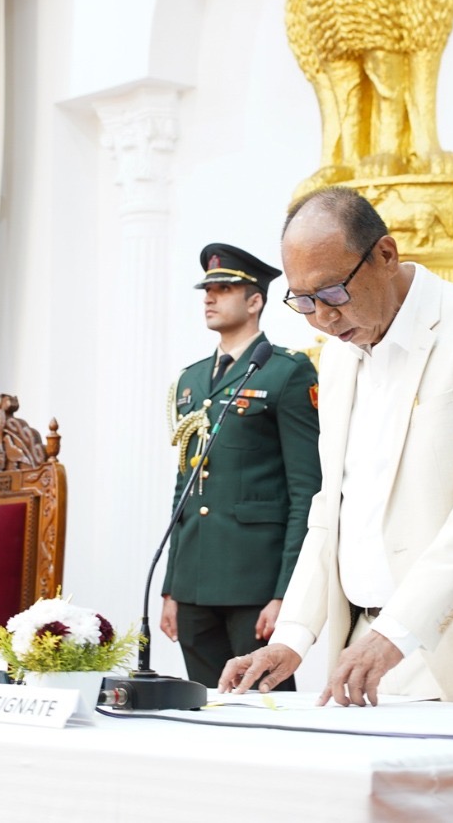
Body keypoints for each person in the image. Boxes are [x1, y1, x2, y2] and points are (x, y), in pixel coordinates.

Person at [221, 187, 453, 706]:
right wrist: (293, 637)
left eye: (332, 293)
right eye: (302, 301)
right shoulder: (341, 355)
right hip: (368, 654)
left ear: (385, 255)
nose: (322, 318)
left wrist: (395, 633)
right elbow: (332, 508)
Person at [160, 243, 322, 689]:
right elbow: (185, 485)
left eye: (225, 288)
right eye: (207, 289)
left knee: (266, 709)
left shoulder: (286, 373)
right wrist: (172, 586)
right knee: (206, 709)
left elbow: (306, 490)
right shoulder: (191, 381)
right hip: (194, 583)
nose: (210, 297)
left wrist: (285, 592)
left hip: (255, 585)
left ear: (255, 302)